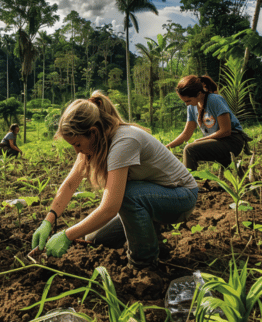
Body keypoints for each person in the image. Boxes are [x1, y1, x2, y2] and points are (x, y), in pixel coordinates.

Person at [31, 91, 198, 271]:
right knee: (94, 238)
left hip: (180, 196)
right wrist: (48, 221)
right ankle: (151, 231)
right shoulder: (91, 145)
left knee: (127, 195)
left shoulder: (123, 141)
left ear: (93, 132)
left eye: (78, 144)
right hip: (152, 196)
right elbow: (71, 184)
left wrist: (67, 235)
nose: (77, 151)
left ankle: (144, 263)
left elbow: (110, 207)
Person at [165, 75, 250, 171]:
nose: (186, 104)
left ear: (199, 93)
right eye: (184, 102)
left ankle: (189, 184)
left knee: (190, 150)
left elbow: (226, 131)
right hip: (217, 141)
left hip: (232, 140)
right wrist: (166, 147)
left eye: (188, 100)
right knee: (225, 176)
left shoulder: (214, 100)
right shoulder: (191, 107)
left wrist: (202, 140)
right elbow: (186, 134)